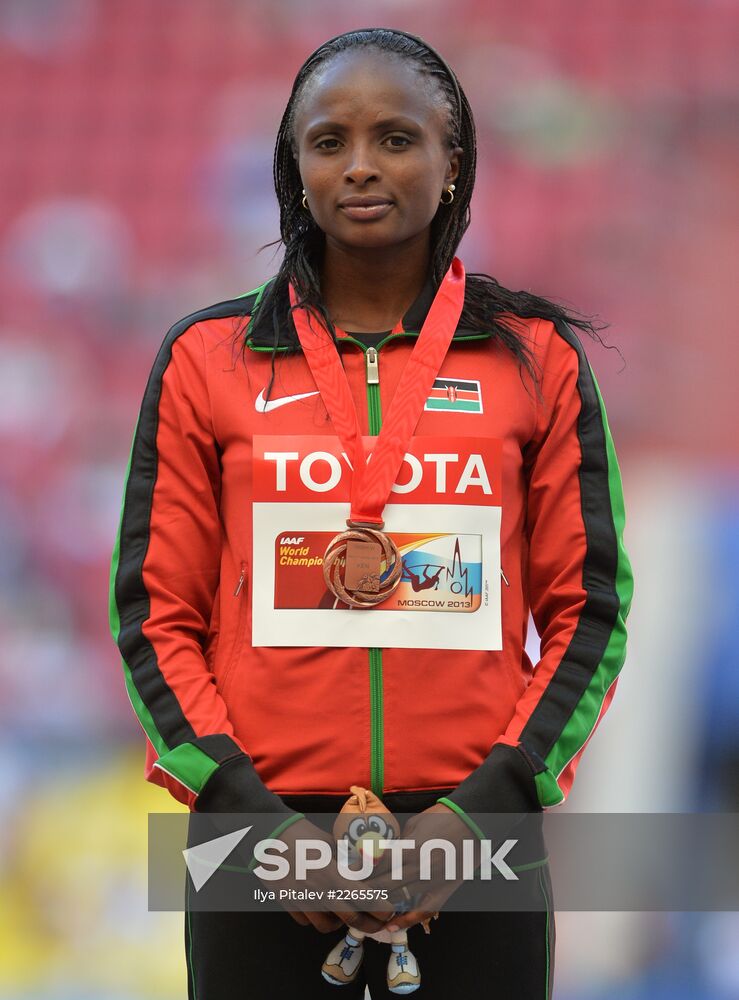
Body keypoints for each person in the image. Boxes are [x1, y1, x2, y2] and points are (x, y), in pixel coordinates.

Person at [109, 27, 633, 999]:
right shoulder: (204, 358)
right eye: (327, 141)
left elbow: (589, 611)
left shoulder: (540, 359)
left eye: (395, 138)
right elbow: (153, 616)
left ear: (451, 164)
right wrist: (250, 820)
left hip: (477, 837)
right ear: (292, 165)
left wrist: (480, 814)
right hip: (252, 840)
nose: (359, 165)